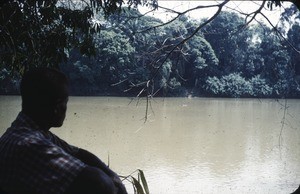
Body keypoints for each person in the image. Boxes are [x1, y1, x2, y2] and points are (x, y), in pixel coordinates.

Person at [0, 68, 127, 194]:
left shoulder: (25, 131)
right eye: (66, 102)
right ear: (57, 107)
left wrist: (113, 176)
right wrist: (115, 186)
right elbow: (98, 182)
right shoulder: (29, 144)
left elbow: (77, 153)